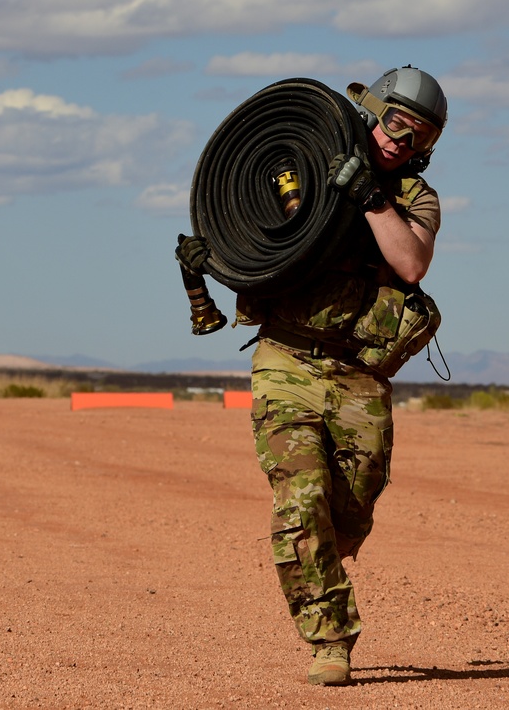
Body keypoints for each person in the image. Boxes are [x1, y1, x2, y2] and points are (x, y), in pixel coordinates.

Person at [179, 65, 447, 686]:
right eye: (395, 125)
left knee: (350, 509)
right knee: (299, 503)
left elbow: (410, 265)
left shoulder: (412, 199)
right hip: (287, 359)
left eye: (418, 140)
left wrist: (371, 198)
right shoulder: (297, 165)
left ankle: (322, 554)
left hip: (359, 370)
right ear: (371, 111)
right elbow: (256, 241)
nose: (400, 144)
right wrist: (206, 269)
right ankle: (330, 637)